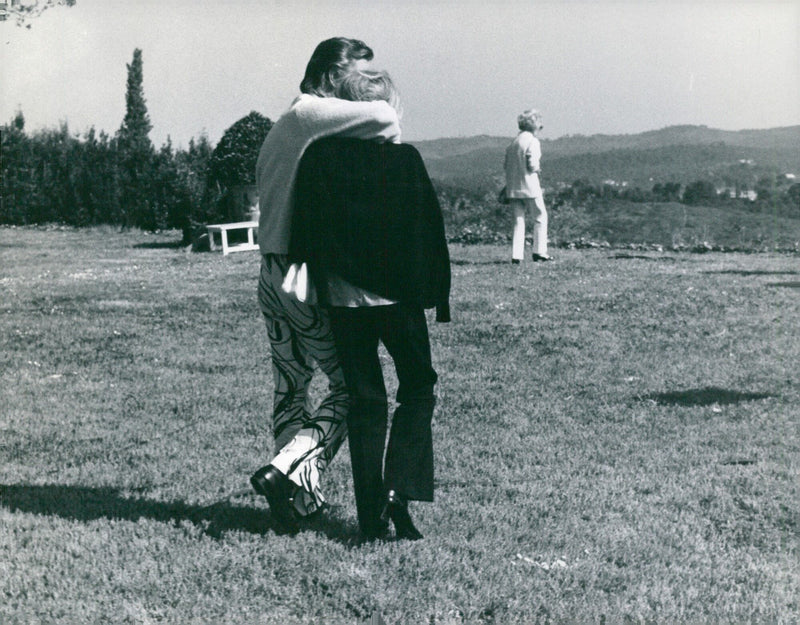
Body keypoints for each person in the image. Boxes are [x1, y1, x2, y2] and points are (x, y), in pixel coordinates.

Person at [289, 70, 451, 541]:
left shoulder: (319, 158)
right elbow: (428, 233)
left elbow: (307, 226)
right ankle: (401, 488)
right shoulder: (405, 160)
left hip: (342, 298)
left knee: (365, 401)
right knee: (418, 386)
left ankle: (370, 517)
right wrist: (435, 296)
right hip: (398, 298)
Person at [249, 38, 402, 534]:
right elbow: (386, 119)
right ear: (334, 73)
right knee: (350, 391)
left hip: (270, 272)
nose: (361, 82)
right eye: (358, 72)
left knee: (291, 386)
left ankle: (296, 502)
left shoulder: (285, 124)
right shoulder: (311, 113)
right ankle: (288, 467)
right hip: (301, 276)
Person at [504, 109, 552, 263]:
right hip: (530, 186)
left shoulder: (513, 143)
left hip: (513, 186)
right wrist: (538, 169)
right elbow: (532, 164)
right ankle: (539, 251)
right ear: (534, 124)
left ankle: (516, 255)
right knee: (540, 217)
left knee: (518, 220)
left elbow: (506, 165)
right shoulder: (532, 141)